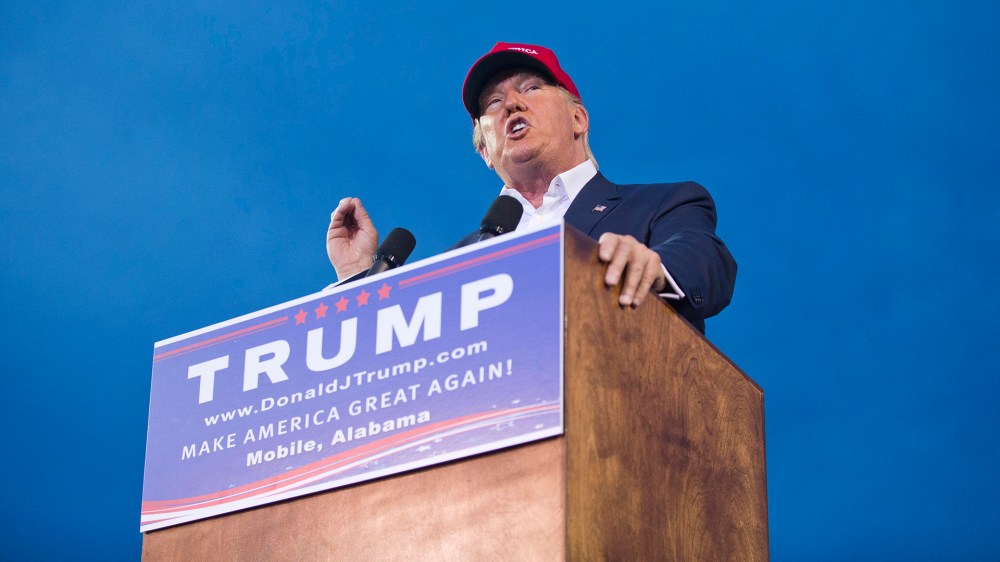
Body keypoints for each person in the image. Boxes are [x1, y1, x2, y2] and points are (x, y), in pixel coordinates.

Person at [327, 42, 736, 333]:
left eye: (532, 88)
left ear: (579, 119)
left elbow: (703, 258)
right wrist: (358, 279)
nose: (511, 104)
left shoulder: (661, 203)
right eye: (492, 103)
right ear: (485, 151)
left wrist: (653, 266)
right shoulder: (456, 262)